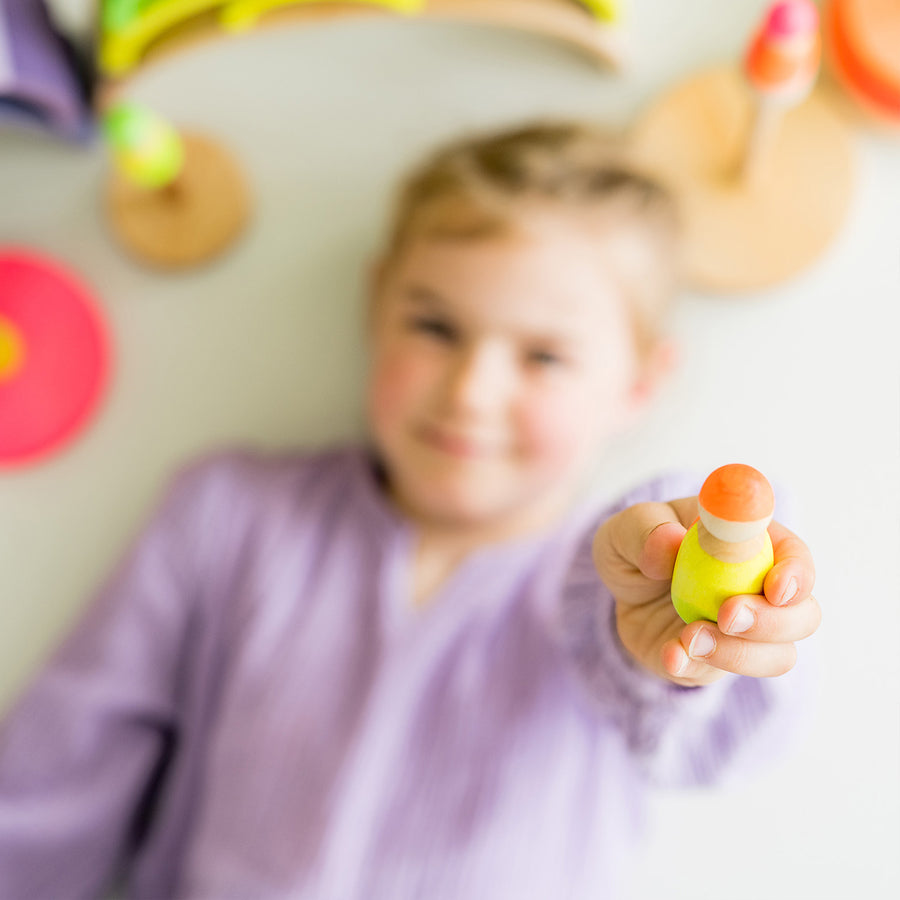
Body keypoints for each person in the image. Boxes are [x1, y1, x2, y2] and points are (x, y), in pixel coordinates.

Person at [0, 121, 820, 898]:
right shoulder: (227, 516)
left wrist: (683, 627)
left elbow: (691, 721)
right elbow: (51, 785)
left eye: (544, 356)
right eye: (434, 325)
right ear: (375, 305)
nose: (470, 392)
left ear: (638, 383)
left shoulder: (613, 586)